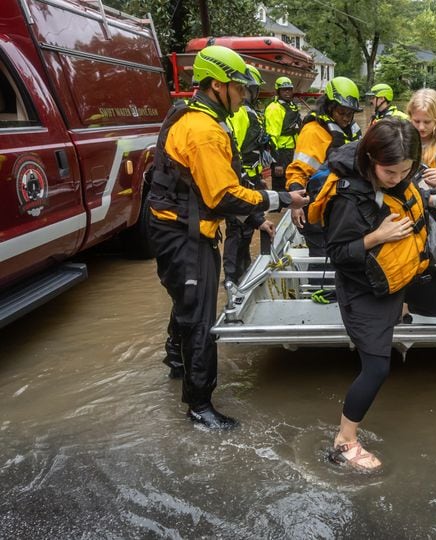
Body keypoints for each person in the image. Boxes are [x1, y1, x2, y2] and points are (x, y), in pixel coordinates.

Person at [147, 45, 308, 429]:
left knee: (186, 302)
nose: (244, 96)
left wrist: (256, 221)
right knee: (200, 317)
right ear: (218, 85)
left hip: (175, 227)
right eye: (239, 88)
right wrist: (281, 198)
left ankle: (175, 361)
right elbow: (222, 195)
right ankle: (199, 406)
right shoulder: (203, 130)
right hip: (185, 234)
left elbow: (210, 184)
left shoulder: (192, 117)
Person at [307, 118, 436, 470]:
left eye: (405, 171)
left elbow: (415, 202)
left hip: (398, 280)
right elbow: (338, 254)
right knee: (376, 368)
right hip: (364, 290)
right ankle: (343, 442)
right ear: (370, 159)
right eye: (390, 172)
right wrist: (377, 237)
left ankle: (404, 304)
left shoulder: (401, 177)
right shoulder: (349, 196)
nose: (397, 178)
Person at [286, 76, 363, 292]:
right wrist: (296, 204)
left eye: (350, 113)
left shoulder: (351, 130)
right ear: (329, 107)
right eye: (341, 112)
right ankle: (321, 294)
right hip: (318, 208)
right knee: (322, 257)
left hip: (344, 208)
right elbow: (297, 170)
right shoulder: (313, 132)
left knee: (345, 255)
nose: (346, 118)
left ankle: (342, 293)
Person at [222, 64, 270, 286]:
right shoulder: (241, 115)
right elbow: (235, 152)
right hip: (242, 181)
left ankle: (243, 271)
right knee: (236, 229)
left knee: (247, 228)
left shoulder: (249, 114)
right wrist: (244, 179)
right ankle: (232, 277)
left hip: (251, 180)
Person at [264, 76, 301, 192]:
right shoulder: (274, 108)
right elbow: (272, 137)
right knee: (279, 180)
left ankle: (289, 203)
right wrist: (277, 162)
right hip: (281, 151)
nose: (287, 93)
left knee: (291, 178)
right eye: (284, 90)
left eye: (289, 89)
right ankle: (278, 206)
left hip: (292, 150)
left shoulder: (291, 106)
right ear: (278, 91)